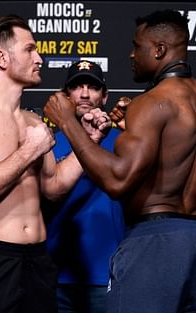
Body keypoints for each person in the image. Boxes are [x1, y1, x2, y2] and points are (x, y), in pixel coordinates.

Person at [44, 9, 196, 313]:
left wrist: (67, 122)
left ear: (159, 50)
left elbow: (119, 181)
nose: (130, 54)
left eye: (136, 46)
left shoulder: (152, 102)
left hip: (157, 242)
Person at [0, 14, 109, 313]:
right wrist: (30, 150)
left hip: (38, 261)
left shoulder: (33, 122)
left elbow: (53, 187)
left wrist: (90, 141)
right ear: (1, 58)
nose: (40, 58)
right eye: (30, 49)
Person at [44, 60, 126, 313]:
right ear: (66, 96)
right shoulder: (46, 142)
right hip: (57, 274)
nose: (85, 94)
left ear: (104, 96)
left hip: (107, 274)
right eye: (77, 86)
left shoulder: (124, 141)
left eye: (92, 87)